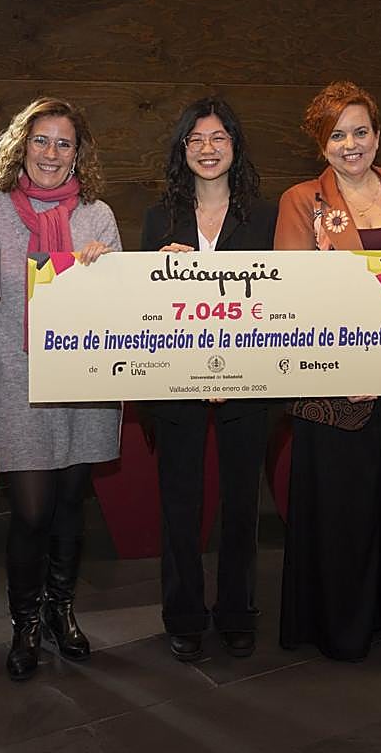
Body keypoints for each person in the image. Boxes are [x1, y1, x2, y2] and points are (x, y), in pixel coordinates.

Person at [274, 81, 381, 661]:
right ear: (321, 144)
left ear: (378, 135)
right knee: (344, 510)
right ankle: (342, 630)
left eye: (361, 131)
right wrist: (345, 363)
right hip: (336, 380)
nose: (351, 144)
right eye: (337, 135)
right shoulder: (302, 200)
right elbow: (295, 292)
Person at [0, 98, 122, 682]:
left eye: (64, 143)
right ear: (21, 145)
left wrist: (105, 267)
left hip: (85, 382)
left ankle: (62, 612)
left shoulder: (97, 215)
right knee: (32, 511)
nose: (51, 153)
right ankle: (25, 624)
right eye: (41, 140)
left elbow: (120, 303)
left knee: (69, 505)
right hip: (18, 377)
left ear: (78, 155)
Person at [140, 98, 277, 662]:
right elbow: (142, 305)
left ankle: (238, 611)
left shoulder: (266, 218)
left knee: (243, 503)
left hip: (249, 381)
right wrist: (160, 269)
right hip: (176, 382)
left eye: (218, 137)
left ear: (235, 146)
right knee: (179, 503)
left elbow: (282, 298)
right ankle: (184, 614)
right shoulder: (159, 218)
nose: (207, 148)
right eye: (195, 139)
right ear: (182, 150)